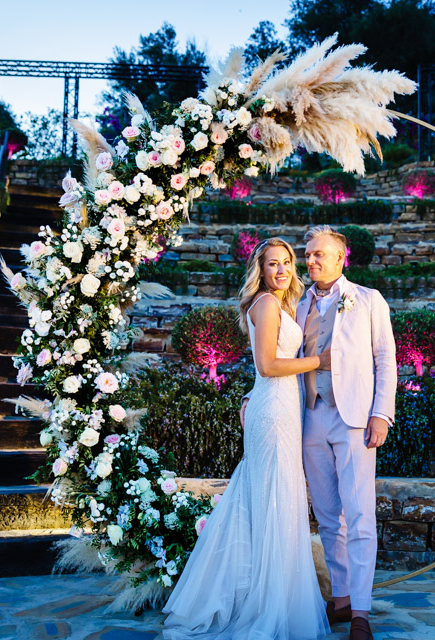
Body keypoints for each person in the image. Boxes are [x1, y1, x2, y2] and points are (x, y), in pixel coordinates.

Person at [162, 237, 331, 640]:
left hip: (277, 407)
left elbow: (263, 371)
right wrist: (320, 361)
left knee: (271, 497)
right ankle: (265, 602)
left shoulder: (281, 303)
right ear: (260, 270)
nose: (282, 270)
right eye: (273, 264)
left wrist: (249, 394)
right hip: (273, 414)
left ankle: (270, 594)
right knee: (272, 497)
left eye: (287, 262)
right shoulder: (267, 303)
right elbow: (269, 365)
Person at [242, 226, 397, 640]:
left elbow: (386, 359)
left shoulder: (368, 300)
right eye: (306, 255)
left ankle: (361, 611)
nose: (310, 262)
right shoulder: (297, 303)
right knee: (329, 516)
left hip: (354, 420)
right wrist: (250, 396)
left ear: (341, 258)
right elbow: (276, 357)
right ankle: (343, 597)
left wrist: (381, 414)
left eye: (317, 255)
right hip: (310, 418)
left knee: (360, 513)